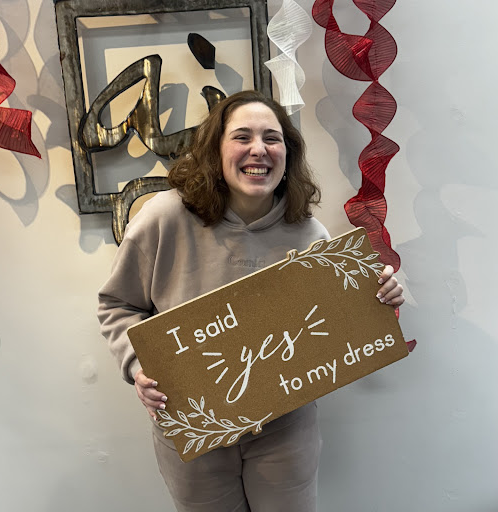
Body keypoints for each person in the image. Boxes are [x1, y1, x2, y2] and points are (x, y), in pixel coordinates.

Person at [97, 90, 404, 512]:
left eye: (271, 138)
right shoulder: (163, 217)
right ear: (216, 151)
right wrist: (138, 365)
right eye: (242, 136)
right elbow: (117, 304)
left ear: (287, 154)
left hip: (284, 426)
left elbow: (335, 324)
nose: (258, 149)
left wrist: (378, 296)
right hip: (193, 422)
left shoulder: (310, 235)